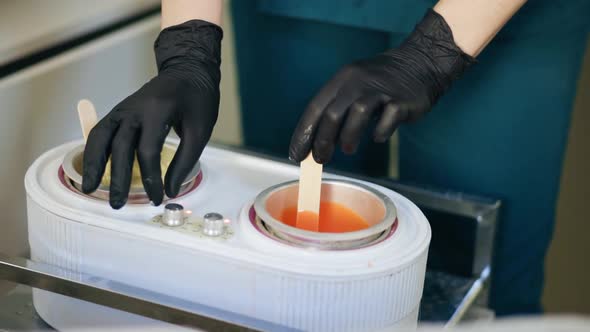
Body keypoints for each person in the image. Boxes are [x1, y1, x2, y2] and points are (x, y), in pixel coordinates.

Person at [81, 0, 590, 317]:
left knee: (480, 287)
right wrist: (188, 45)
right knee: (291, 272)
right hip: (299, 9)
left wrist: (434, 52)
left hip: (506, 20)